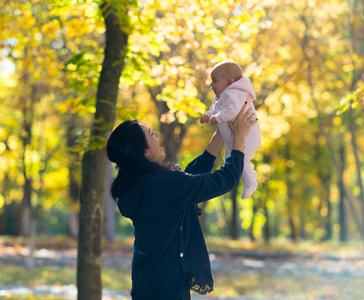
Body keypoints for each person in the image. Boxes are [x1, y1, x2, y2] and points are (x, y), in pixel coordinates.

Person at [106, 103, 257, 300]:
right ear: (144, 153)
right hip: (167, 289)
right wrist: (239, 137)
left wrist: (220, 132)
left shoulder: (138, 184)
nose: (158, 136)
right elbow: (226, 179)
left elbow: (190, 178)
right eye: (151, 135)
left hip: (147, 283)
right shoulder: (162, 184)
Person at [201, 60, 261, 199]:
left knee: (242, 159)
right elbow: (215, 109)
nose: (211, 84)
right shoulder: (220, 96)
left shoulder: (235, 92)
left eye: (214, 81)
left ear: (230, 81)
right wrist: (208, 115)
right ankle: (250, 175)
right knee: (229, 161)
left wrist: (217, 118)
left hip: (248, 136)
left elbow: (232, 111)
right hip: (232, 139)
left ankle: (251, 182)